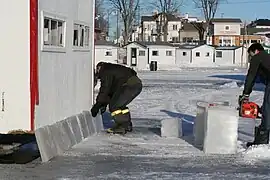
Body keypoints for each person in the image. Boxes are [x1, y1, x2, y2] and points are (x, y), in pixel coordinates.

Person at [91, 62, 143, 134]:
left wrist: (98, 104)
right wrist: (104, 103)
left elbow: (105, 89)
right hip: (136, 85)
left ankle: (122, 126)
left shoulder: (105, 71)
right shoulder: (111, 69)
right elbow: (111, 91)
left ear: (99, 68)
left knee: (114, 106)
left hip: (130, 86)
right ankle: (127, 125)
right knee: (120, 105)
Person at [239, 43, 270, 147]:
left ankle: (261, 141)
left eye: (251, 55)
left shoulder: (258, 57)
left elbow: (251, 76)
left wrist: (246, 94)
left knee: (267, 110)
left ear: (256, 51)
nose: (251, 58)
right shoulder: (267, 57)